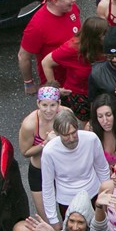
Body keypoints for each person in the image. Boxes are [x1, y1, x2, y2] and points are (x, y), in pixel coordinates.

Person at [40, 111, 110, 228]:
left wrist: (107, 195)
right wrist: (53, 219)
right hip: (67, 202)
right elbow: (48, 186)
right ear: (57, 134)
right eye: (66, 135)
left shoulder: (91, 139)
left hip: (94, 194)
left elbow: (102, 168)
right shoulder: (49, 152)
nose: (72, 138)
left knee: (99, 230)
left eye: (74, 133)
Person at [19, 86, 76, 218]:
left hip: (63, 168)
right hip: (40, 170)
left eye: (52, 105)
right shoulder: (30, 124)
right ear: (38, 103)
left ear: (59, 104)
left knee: (72, 214)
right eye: (44, 105)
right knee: (47, 220)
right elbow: (25, 152)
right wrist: (45, 143)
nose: (48, 110)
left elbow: (74, 139)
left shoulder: (66, 114)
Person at [42, 16, 109, 122]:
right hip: (81, 95)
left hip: (102, 90)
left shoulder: (107, 44)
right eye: (104, 35)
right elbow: (46, 62)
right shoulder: (73, 48)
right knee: (88, 124)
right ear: (94, 37)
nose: (108, 37)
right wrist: (55, 90)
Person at [18, 0, 81, 95]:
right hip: (58, 85)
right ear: (55, 1)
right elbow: (23, 56)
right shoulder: (37, 25)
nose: (74, 0)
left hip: (78, 77)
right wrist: (28, 83)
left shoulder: (71, 7)